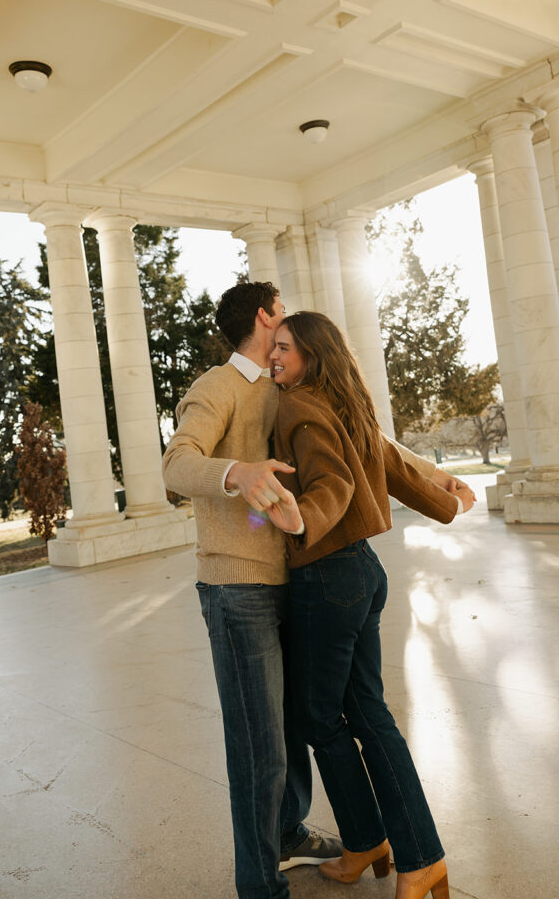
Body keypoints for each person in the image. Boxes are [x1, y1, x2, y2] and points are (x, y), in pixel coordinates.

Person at [264, 311, 475, 899]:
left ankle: (390, 846)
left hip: (327, 577)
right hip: (362, 572)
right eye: (272, 346)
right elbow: (392, 463)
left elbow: (333, 482)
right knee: (368, 715)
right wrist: (449, 500)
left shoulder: (297, 407)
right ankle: (397, 852)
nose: (274, 356)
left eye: (285, 348)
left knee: (318, 720)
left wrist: (301, 518)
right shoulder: (345, 402)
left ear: (312, 355)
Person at [162, 282, 343, 899]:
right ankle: (258, 885)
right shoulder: (218, 387)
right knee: (258, 746)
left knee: (291, 732)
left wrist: (432, 476)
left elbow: (359, 441)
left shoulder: (290, 383)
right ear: (265, 316)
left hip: (293, 581)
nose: (287, 318)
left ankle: (288, 834)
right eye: (282, 309)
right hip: (236, 590)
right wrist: (237, 472)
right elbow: (177, 463)